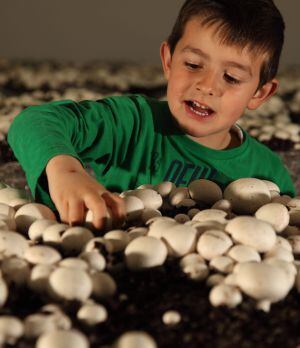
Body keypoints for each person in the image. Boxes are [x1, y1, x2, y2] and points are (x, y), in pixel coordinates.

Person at [8, 0, 295, 230]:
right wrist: (66, 171)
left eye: (231, 77)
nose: (207, 86)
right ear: (169, 60)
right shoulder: (134, 123)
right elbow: (34, 122)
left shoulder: (267, 174)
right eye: (194, 64)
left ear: (259, 93)